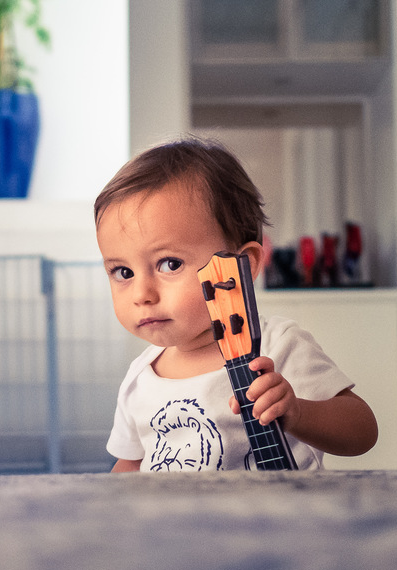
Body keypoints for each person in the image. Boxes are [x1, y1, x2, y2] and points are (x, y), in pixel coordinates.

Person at [96, 138, 378, 472]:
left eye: (169, 264)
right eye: (123, 272)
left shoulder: (277, 346)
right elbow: (129, 466)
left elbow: (362, 431)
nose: (142, 294)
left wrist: (299, 412)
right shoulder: (139, 377)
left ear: (242, 265)